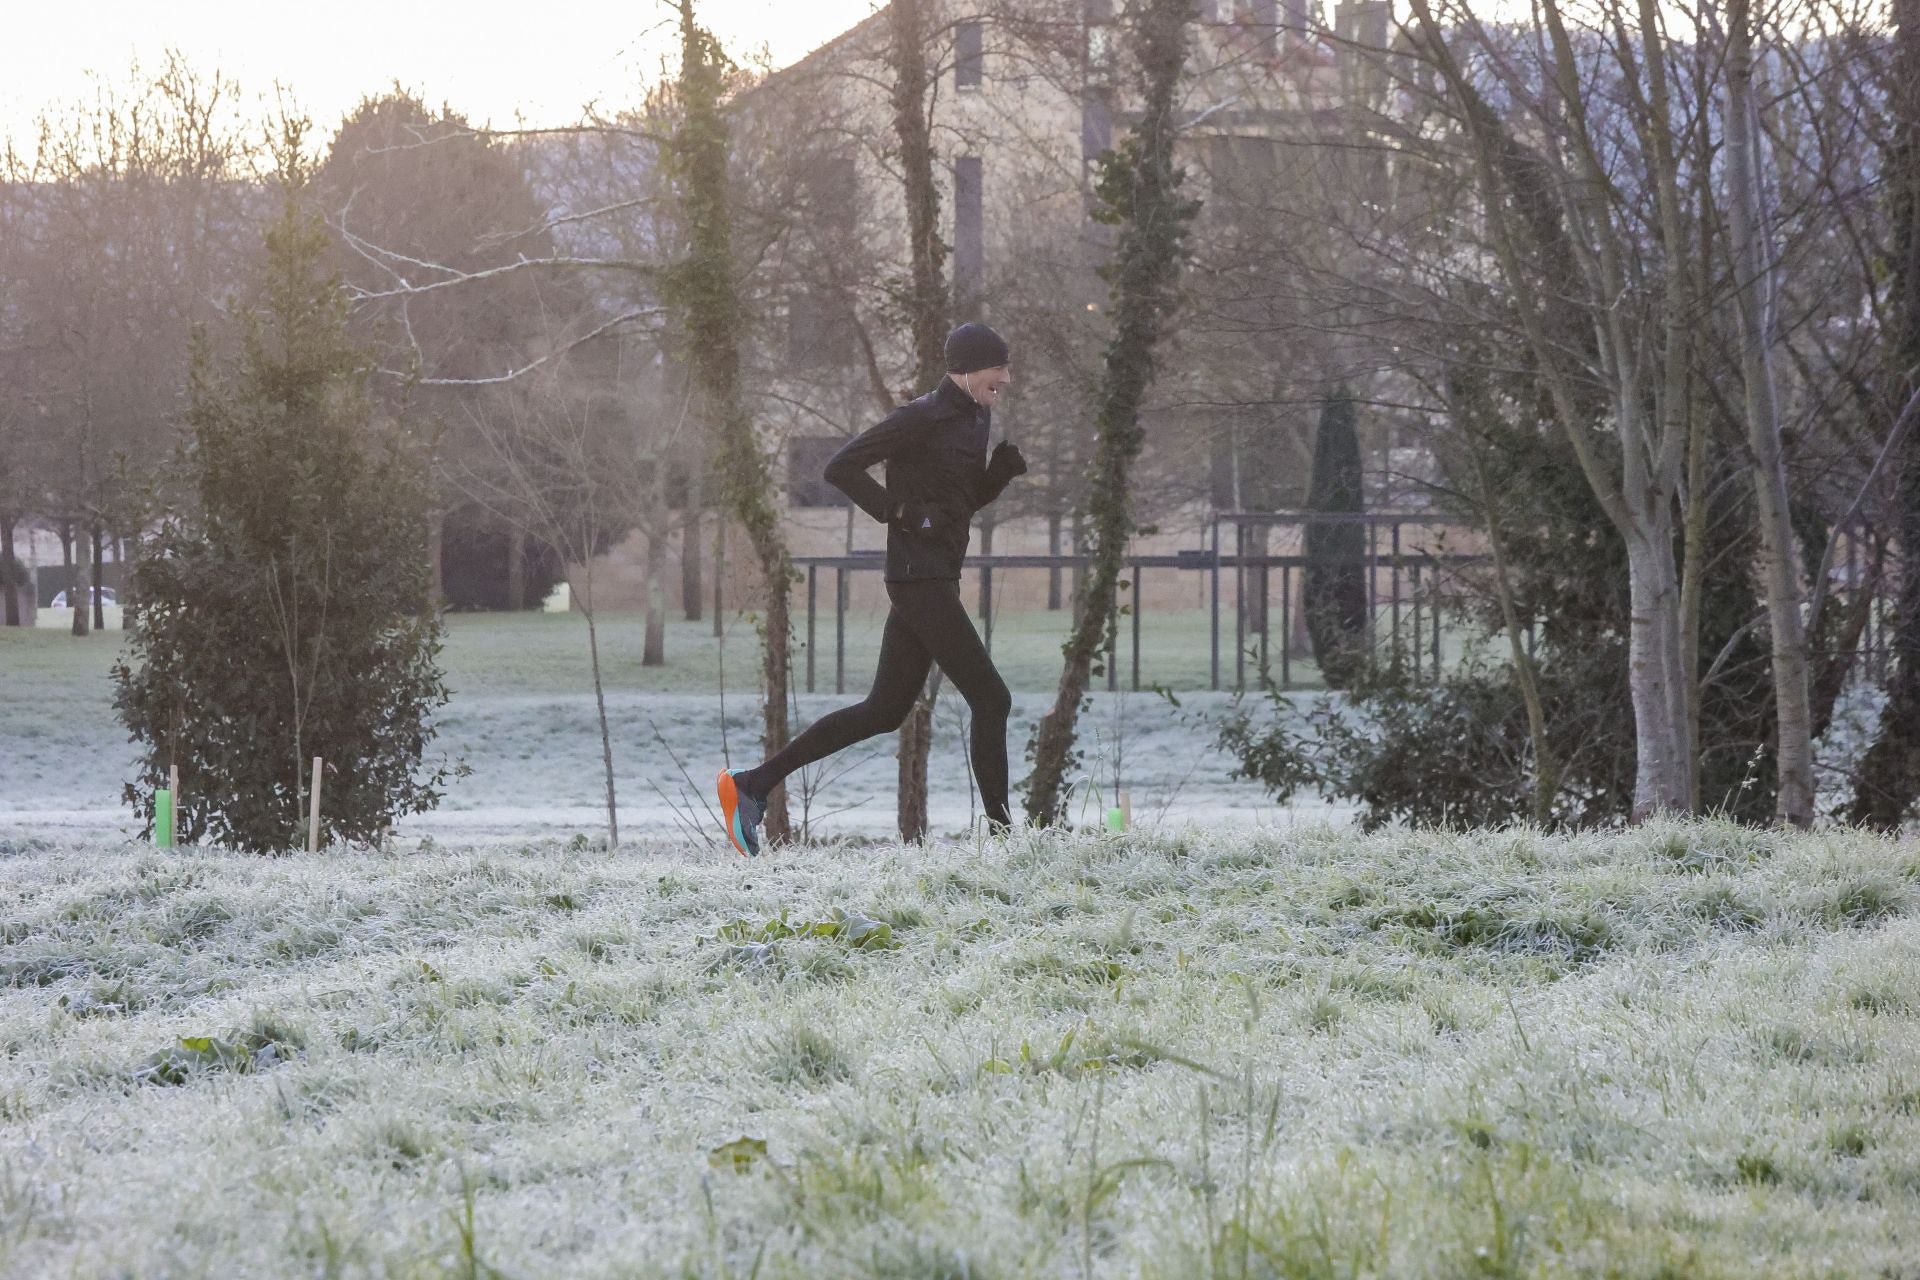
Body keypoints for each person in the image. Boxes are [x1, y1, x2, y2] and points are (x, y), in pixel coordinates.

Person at [715, 322, 1027, 855]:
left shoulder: (978, 417)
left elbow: (955, 504)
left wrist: (996, 478)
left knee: (884, 712)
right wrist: (899, 513)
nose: (1007, 377)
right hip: (917, 578)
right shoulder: (920, 416)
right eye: (1000, 367)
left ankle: (752, 783)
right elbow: (842, 467)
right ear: (970, 368)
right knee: (992, 698)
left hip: (934, 577)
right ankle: (1003, 840)